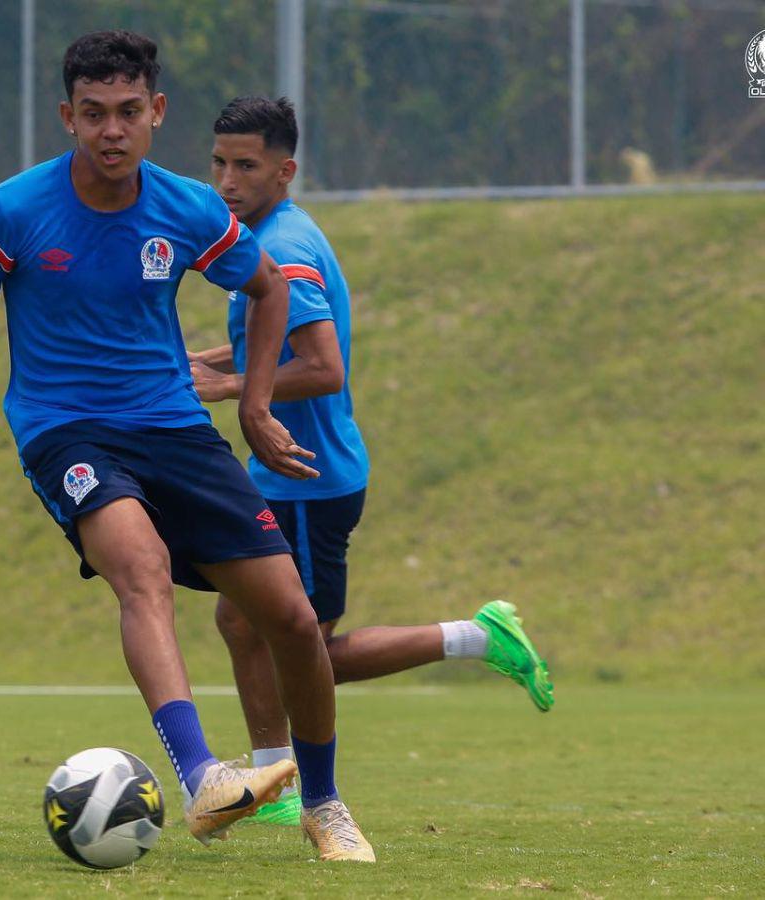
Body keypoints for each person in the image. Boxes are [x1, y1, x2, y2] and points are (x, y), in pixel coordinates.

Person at [0, 33, 374, 861]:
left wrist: (257, 403)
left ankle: (325, 803)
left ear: (156, 113)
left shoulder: (188, 208)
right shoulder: (12, 209)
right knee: (142, 571)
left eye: (129, 112)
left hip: (174, 427)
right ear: (68, 117)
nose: (111, 131)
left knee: (295, 622)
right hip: (68, 433)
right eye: (93, 114)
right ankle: (202, 776)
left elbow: (267, 291)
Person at [188, 96, 555, 827]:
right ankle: (272, 780)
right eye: (219, 163)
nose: (227, 181)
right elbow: (277, 340)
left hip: (307, 475)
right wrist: (206, 359)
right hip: (281, 472)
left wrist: (229, 387)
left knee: (307, 649)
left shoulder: (286, 249)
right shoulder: (259, 236)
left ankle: (477, 637)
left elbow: (323, 366)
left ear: (285, 170)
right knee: (239, 620)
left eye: (246, 166)